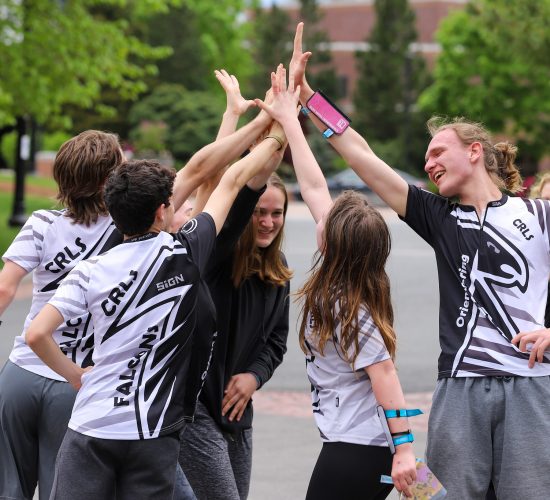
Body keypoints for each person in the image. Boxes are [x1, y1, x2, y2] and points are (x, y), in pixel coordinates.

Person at [289, 21, 550, 500]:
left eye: (437, 152)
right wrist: (309, 100)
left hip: (532, 386)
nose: (428, 163)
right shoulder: (438, 217)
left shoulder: (540, 215)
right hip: (460, 385)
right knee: (443, 496)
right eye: (426, 157)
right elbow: (361, 154)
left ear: (475, 152)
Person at [0, 84, 274, 500]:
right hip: (93, 395)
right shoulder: (129, 233)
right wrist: (272, 122)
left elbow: (10, 294)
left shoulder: (45, 226)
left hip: (26, 374)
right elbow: (208, 174)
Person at [255, 64, 417, 499]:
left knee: (426, 492)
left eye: (329, 221)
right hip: (362, 444)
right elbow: (312, 183)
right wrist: (292, 116)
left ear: (337, 244)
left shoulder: (346, 305)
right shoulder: (350, 278)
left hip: (359, 449)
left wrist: (404, 452)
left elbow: (383, 372)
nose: (320, 216)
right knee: (432, 495)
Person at [179, 67, 292, 500]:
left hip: (239, 414)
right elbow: (222, 183)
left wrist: (253, 377)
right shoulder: (218, 255)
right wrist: (278, 127)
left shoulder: (278, 271)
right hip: (197, 412)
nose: (267, 221)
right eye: (260, 211)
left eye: (276, 214)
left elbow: (277, 342)